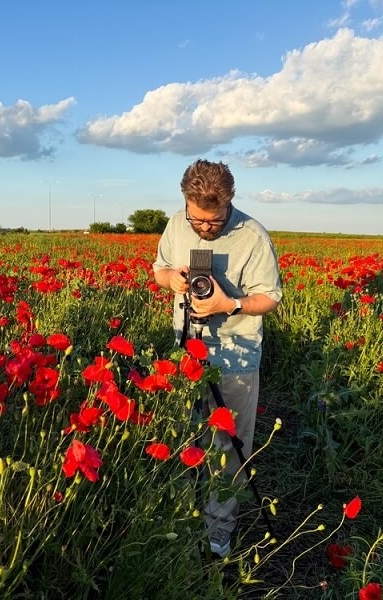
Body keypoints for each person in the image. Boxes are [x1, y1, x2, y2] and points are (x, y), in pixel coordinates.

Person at [152, 159, 283, 557]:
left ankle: (218, 530)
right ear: (186, 202)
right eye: (197, 219)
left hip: (236, 356)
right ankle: (181, 516)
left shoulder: (253, 236)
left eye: (214, 220)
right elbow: (159, 270)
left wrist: (230, 304)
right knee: (185, 437)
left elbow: (270, 298)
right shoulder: (176, 225)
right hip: (186, 350)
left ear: (229, 202)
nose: (205, 228)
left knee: (230, 445)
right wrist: (173, 279)